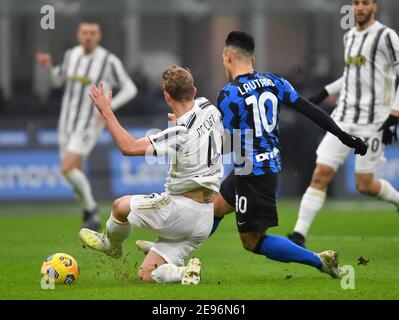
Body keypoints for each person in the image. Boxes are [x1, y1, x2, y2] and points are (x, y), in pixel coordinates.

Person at [137, 31, 367, 279]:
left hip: (254, 175)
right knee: (212, 209)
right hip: (255, 168)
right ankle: (170, 253)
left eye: (223, 59)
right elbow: (310, 110)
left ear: (228, 56)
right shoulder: (274, 82)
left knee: (252, 242)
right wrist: (344, 136)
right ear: (252, 59)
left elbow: (220, 140)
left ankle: (320, 261)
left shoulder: (229, 93)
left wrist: (183, 133)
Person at [79, 65, 224, 285]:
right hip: (205, 216)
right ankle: (184, 273)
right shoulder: (209, 108)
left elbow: (128, 147)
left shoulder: (179, 132)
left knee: (120, 206)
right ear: (193, 91)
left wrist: (106, 111)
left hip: (180, 212)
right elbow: (215, 137)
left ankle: (111, 246)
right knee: (147, 275)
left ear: (166, 96)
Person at [288, 0, 399, 247]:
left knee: (364, 185)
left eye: (365, 3)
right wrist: (324, 92)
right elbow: (352, 75)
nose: (359, 7)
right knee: (321, 173)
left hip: (373, 122)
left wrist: (394, 114)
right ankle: (299, 234)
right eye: (356, 3)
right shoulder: (349, 37)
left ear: (374, 7)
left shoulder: (386, 36)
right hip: (342, 118)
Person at [36, 22, 137, 231]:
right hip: (66, 122)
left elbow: (130, 88)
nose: (88, 36)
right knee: (73, 174)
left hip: (88, 124)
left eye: (92, 33)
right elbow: (56, 81)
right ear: (78, 35)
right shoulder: (71, 55)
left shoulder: (108, 60)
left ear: (98, 36)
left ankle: (91, 209)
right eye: (84, 33)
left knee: (66, 168)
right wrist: (47, 69)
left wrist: (109, 108)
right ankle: (87, 212)